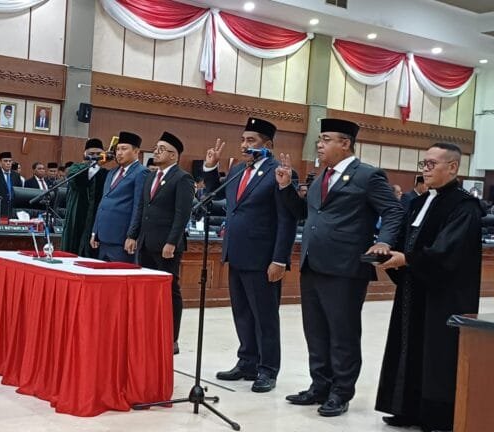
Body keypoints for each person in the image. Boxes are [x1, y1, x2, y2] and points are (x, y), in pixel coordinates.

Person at [274, 119, 404, 417]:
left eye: (325, 139)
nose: (319, 145)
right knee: (316, 331)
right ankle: (319, 385)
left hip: (345, 267)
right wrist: (284, 187)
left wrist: (384, 241)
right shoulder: (322, 177)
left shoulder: (367, 175)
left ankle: (341, 392)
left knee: (342, 333)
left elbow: (393, 210)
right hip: (313, 264)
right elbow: (305, 214)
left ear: (345, 143)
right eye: (319, 140)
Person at [375, 143, 482, 432]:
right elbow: (403, 239)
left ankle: (435, 416)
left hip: (444, 295)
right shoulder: (419, 202)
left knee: (437, 352)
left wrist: (408, 259)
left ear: (453, 167)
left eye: (432, 164)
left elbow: (449, 251)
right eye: (424, 163)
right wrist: (387, 252)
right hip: (414, 287)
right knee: (408, 345)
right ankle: (406, 409)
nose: (425, 169)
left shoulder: (464, 207)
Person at [204, 118, 297, 393]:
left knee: (264, 317)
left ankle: (268, 369)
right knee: (242, 313)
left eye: (251, 140)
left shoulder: (278, 172)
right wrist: (211, 168)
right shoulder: (237, 169)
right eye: (243, 140)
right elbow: (215, 195)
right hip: (236, 253)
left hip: (263, 258)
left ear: (267, 145)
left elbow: (287, 219)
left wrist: (279, 259)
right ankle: (247, 362)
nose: (244, 145)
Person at [126, 132, 194, 355]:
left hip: (166, 246)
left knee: (170, 290)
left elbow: (182, 214)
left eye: (161, 149)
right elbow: (141, 208)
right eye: (156, 148)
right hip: (146, 242)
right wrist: (133, 235)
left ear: (173, 155)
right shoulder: (150, 176)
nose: (156, 152)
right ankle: (149, 331)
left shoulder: (182, 179)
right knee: (147, 288)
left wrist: (171, 242)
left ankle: (172, 338)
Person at [90, 131, 148, 263]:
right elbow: (103, 202)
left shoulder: (141, 172)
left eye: (124, 149)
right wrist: (95, 231)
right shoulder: (112, 172)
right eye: (117, 149)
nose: (119, 153)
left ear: (136, 151)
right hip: (103, 237)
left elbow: (138, 207)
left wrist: (132, 235)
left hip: (122, 239)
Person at [61, 138, 108, 257]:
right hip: (77, 216)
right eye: (91, 153)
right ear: (85, 154)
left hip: (95, 219)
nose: (95, 157)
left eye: (98, 154)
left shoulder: (106, 173)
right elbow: (78, 182)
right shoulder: (75, 168)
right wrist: (96, 166)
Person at [0, 151, 22, 218]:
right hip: (0, 208)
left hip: (13, 208)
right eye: (5, 161)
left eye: (10, 161)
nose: (8, 163)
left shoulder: (16, 175)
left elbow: (19, 191)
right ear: (0, 162)